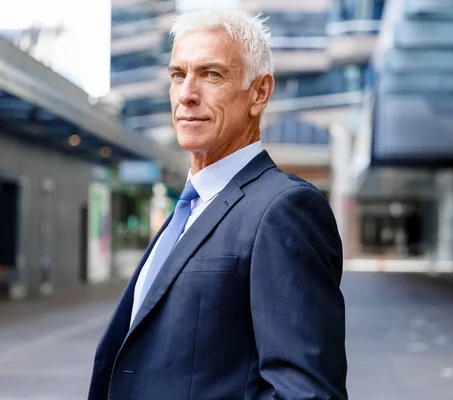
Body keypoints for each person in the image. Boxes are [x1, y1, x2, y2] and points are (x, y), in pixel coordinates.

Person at [88, 10, 347, 400]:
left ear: (259, 93)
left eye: (211, 75)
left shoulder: (283, 210)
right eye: (178, 74)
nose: (187, 93)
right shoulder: (187, 212)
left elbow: (306, 393)